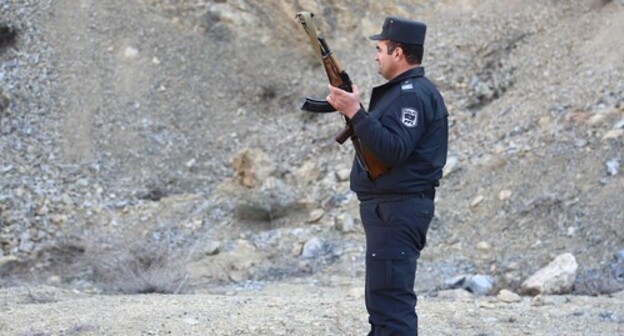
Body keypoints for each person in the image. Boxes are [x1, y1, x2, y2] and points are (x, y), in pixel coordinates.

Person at [326, 16, 448, 335]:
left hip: (399, 208)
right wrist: (354, 111)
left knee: (391, 305)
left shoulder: (412, 94)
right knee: (382, 303)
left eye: (380, 48)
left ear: (398, 53)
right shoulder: (401, 92)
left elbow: (394, 149)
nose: (376, 55)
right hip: (389, 209)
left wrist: (355, 112)